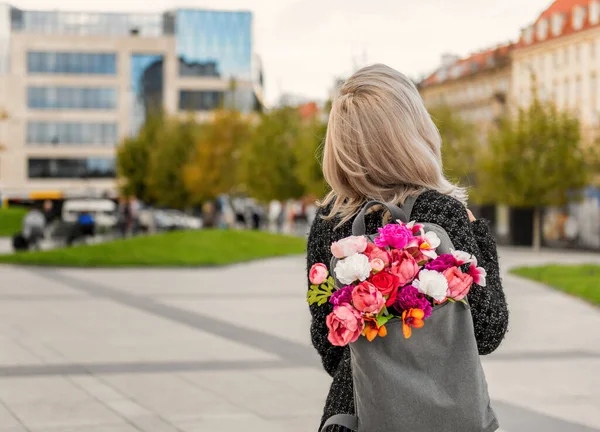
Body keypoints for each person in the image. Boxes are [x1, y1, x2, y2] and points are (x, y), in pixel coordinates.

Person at [307, 64, 509, 431]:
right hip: (441, 412)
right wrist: (480, 237)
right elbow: (488, 331)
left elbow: (329, 345)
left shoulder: (329, 221)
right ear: (414, 130)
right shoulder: (442, 212)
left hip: (355, 414)